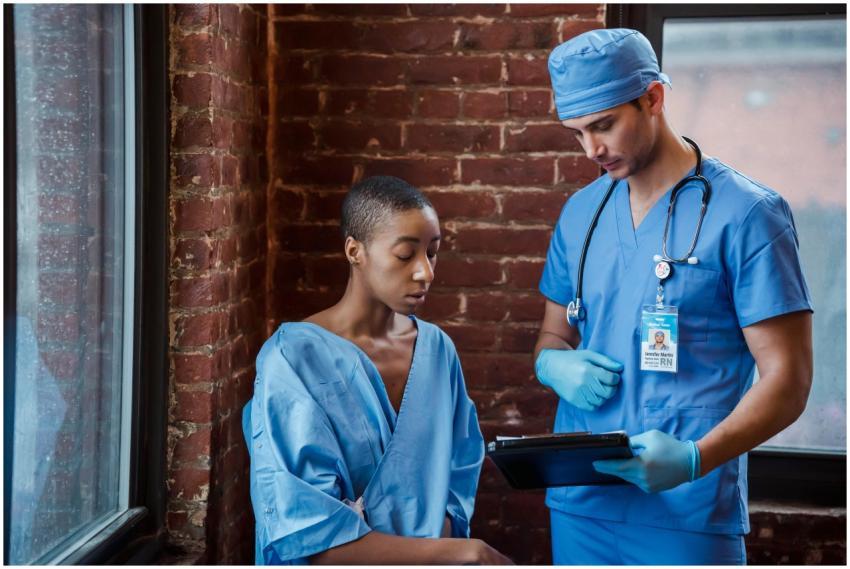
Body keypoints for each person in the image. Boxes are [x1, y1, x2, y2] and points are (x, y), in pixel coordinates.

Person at [534, 28, 813, 564]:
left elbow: (789, 380)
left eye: (604, 126)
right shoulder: (581, 215)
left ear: (653, 98)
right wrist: (551, 363)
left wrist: (692, 458)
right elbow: (553, 334)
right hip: (581, 504)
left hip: (687, 508)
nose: (592, 150)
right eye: (576, 134)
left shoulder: (749, 215)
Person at [243, 176, 512, 565]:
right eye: (405, 255)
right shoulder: (293, 359)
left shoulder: (437, 350)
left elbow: (458, 475)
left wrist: (440, 549)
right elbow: (310, 539)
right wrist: (455, 554)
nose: (426, 273)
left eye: (432, 253)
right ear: (355, 251)